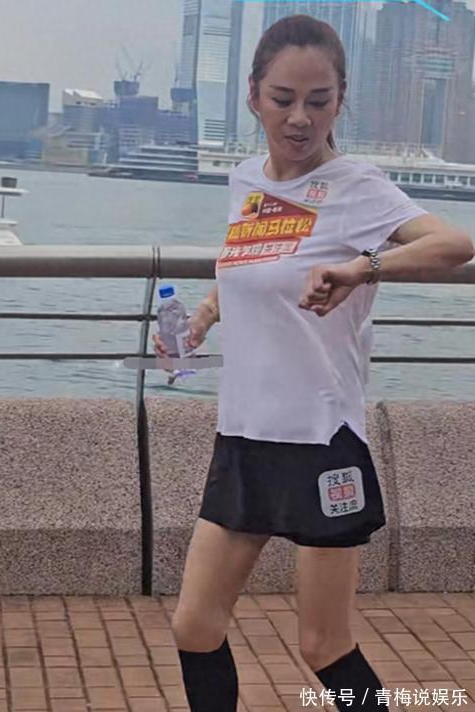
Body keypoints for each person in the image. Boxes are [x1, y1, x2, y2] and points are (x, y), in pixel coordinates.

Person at [153, 14, 473, 712]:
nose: (300, 118)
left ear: (340, 100)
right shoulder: (246, 181)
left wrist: (362, 268)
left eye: (318, 101)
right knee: (195, 627)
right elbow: (252, 266)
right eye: (283, 99)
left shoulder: (356, 186)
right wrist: (203, 316)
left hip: (322, 440)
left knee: (323, 645)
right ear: (253, 96)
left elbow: (456, 244)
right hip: (244, 436)